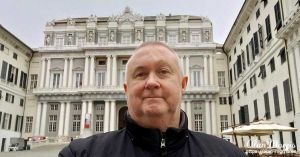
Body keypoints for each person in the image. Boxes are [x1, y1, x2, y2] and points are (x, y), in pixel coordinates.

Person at [58, 41, 246, 157]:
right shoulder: (78, 154)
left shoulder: (230, 154)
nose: (151, 82)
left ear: (183, 84)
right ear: (126, 89)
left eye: (163, 72)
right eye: (140, 74)